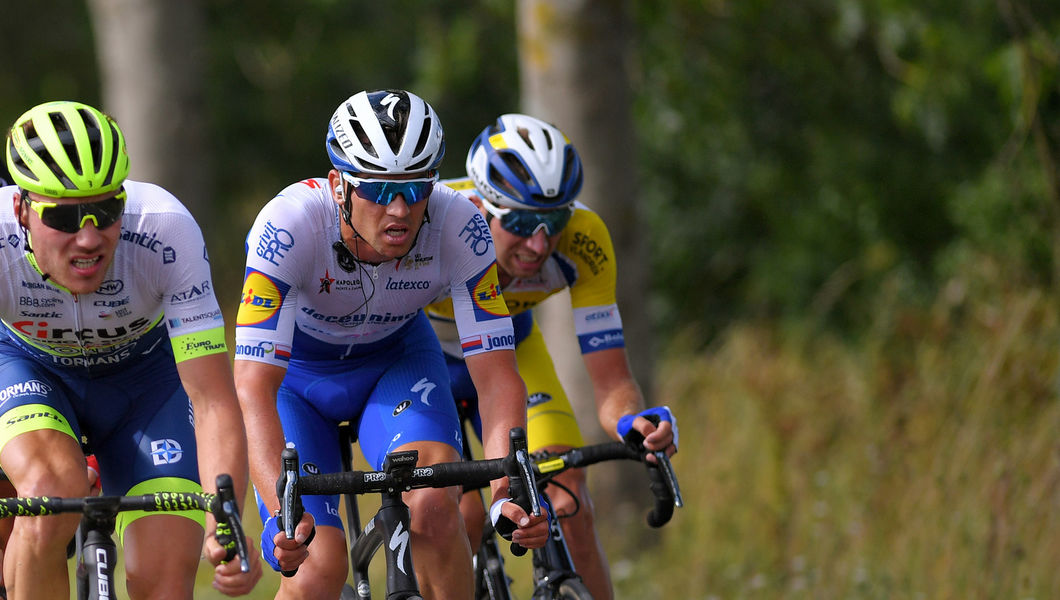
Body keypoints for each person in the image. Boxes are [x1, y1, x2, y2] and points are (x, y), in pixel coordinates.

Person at [233, 89, 548, 599]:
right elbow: (253, 385)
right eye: (378, 191)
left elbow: (496, 375)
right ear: (339, 185)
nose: (399, 210)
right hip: (299, 383)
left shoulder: (460, 225)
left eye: (415, 188)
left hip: (395, 362)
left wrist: (506, 491)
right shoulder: (287, 226)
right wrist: (277, 516)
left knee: (434, 509)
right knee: (317, 565)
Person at [0, 100, 260, 599]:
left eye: (106, 210)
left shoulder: (165, 229)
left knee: (161, 582)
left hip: (146, 385)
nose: (89, 237)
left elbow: (212, 399)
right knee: (48, 491)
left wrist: (224, 516)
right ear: (22, 209)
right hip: (28, 367)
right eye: (65, 216)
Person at [425, 113, 680, 600]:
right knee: (458, 511)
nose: (539, 244)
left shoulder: (585, 241)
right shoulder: (436, 225)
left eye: (553, 221)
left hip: (511, 349)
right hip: (425, 359)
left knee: (567, 498)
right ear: (481, 204)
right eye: (520, 222)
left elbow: (612, 384)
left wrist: (634, 421)